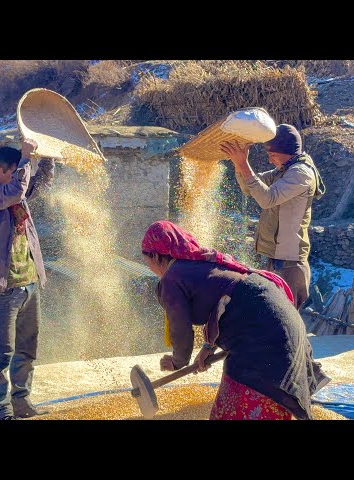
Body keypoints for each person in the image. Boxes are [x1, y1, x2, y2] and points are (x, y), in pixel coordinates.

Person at [141, 220, 330, 420]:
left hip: (263, 338)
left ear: (155, 255)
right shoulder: (201, 262)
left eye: (147, 261)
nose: (151, 268)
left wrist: (177, 361)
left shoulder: (172, 278)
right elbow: (225, 302)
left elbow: (181, 331)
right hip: (281, 320)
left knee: (236, 410)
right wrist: (208, 347)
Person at [0, 139, 55, 419]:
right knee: (0, 354)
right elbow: (17, 190)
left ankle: (22, 402)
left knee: (27, 349)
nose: (19, 175)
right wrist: (26, 159)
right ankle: (1, 409)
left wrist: (47, 157)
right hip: (3, 285)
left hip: (29, 281)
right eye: (14, 170)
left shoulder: (13, 185)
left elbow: (36, 185)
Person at [223, 123, 325, 309]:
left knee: (284, 320)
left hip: (290, 263)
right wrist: (239, 165)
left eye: (272, 155)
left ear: (288, 152)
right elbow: (249, 187)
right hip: (277, 258)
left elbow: (267, 199)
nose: (270, 160)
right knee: (273, 317)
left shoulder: (300, 173)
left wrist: (244, 165)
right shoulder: (284, 170)